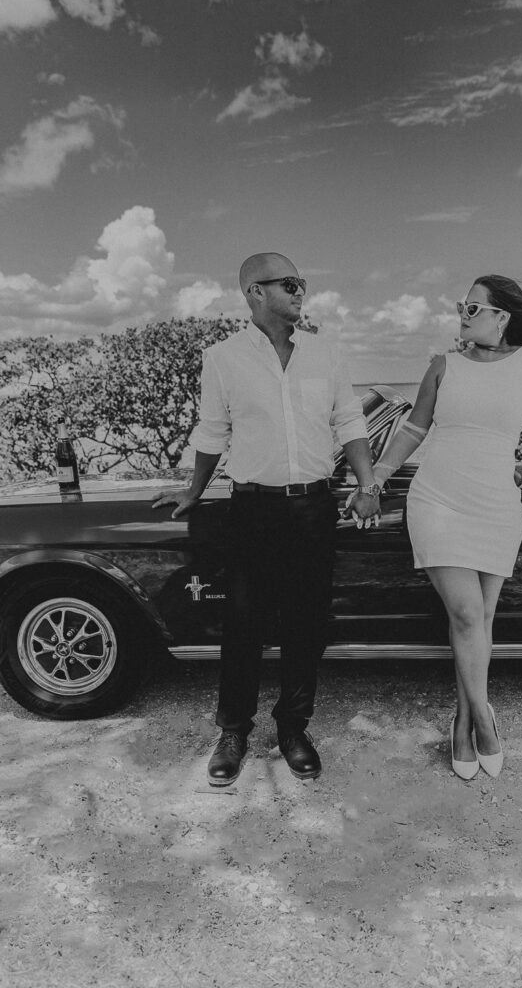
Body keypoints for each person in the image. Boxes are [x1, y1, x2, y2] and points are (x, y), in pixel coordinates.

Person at [152, 253, 380, 786]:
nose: (302, 292)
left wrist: (368, 485)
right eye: (291, 284)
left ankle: (293, 730)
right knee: (244, 622)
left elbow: (348, 420)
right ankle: (233, 731)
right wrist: (192, 491)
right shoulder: (223, 359)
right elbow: (212, 434)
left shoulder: (326, 353)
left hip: (313, 507)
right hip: (252, 508)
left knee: (307, 621)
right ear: (255, 292)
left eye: (303, 283)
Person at [361, 275, 522, 780]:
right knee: (467, 615)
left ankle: (462, 719)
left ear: (500, 315)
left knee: (481, 618)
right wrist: (376, 477)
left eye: (471, 308)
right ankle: (485, 723)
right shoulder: (443, 365)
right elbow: (415, 428)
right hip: (438, 497)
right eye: (461, 307)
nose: (462, 315)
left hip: (495, 503)